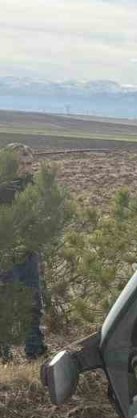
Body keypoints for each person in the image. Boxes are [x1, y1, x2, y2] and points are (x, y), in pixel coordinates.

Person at [0, 143, 45, 361]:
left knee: (33, 304)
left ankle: (35, 351)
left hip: (28, 255)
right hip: (4, 256)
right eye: (21, 163)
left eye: (29, 164)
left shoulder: (33, 185)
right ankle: (3, 357)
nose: (26, 168)